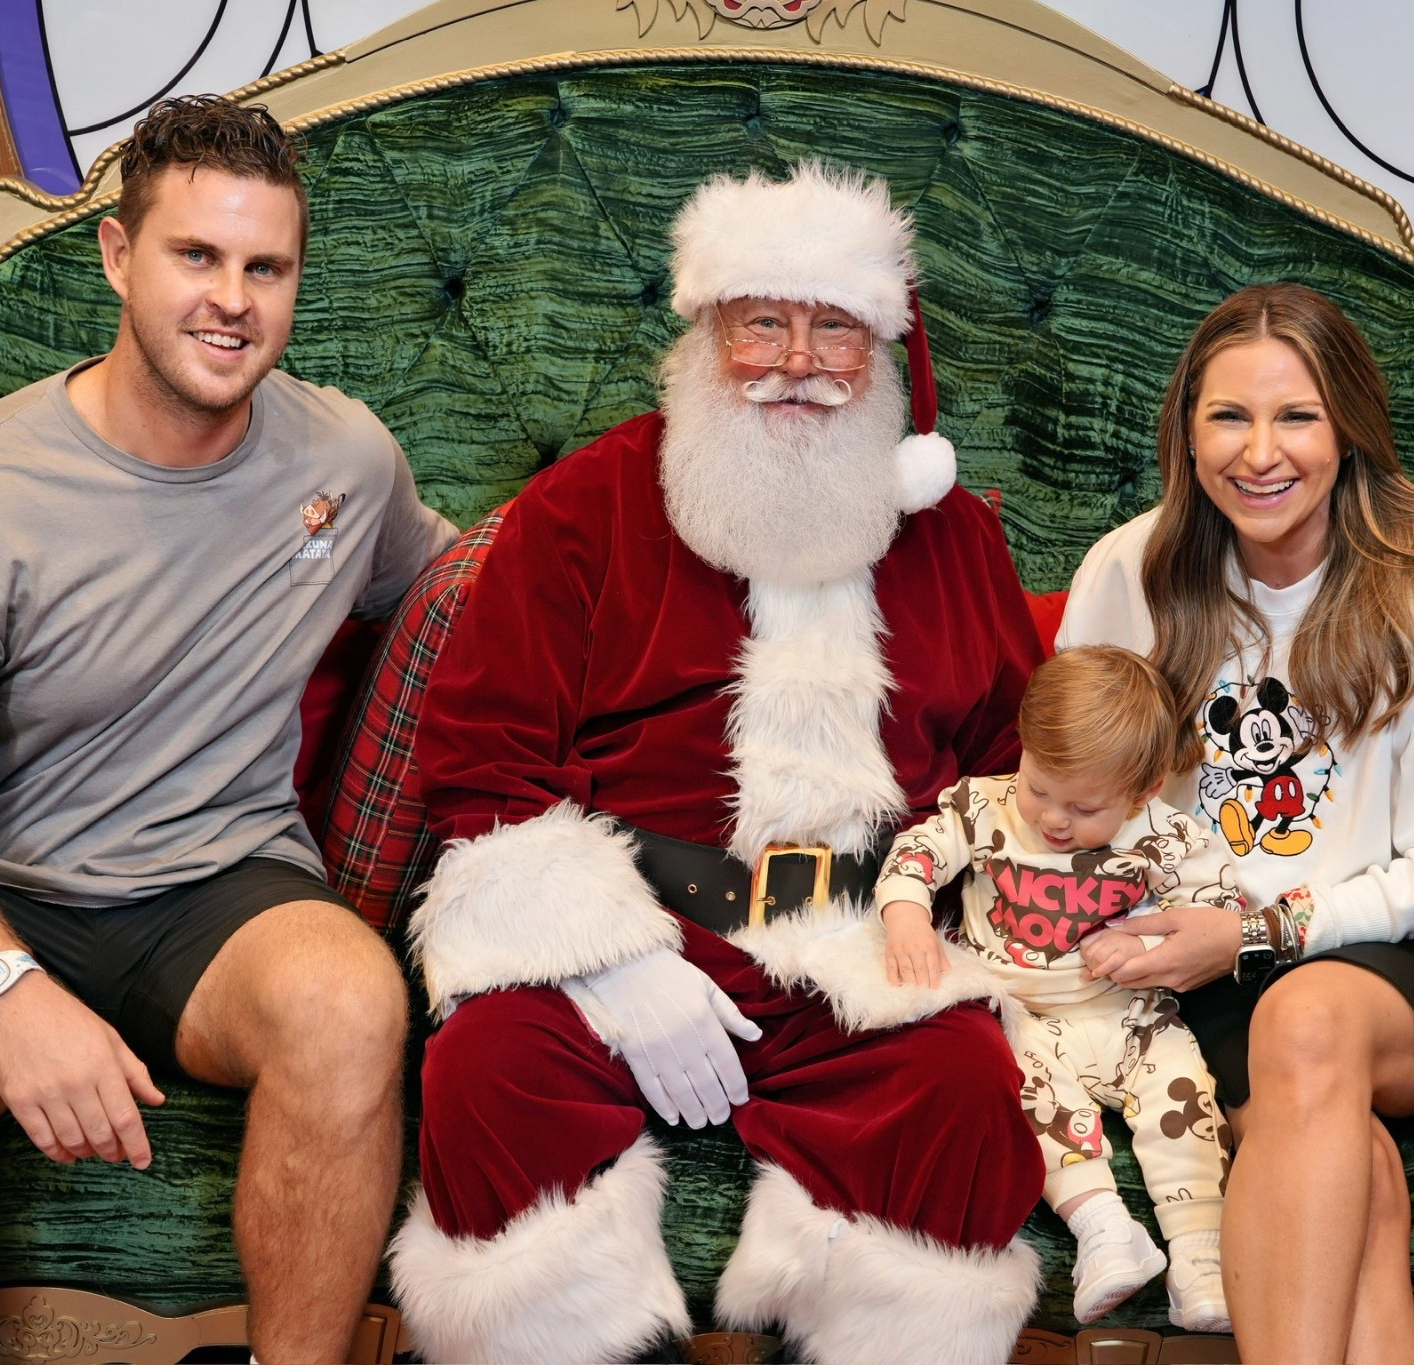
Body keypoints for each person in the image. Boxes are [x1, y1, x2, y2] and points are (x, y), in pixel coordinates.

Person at [0, 96, 458, 1364]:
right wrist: (3, 989)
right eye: (196, 256)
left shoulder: (345, 461)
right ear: (116, 257)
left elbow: (467, 598)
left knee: (349, 999)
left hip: (222, 895)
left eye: (266, 267)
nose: (231, 300)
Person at [391, 162, 1047, 1364]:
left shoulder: (952, 539)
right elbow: (481, 768)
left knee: (958, 1088)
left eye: (833, 330)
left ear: (883, 354)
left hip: (859, 940)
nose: (796, 363)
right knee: (485, 1073)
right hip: (625, 934)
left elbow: (1015, 773)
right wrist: (613, 966)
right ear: (704, 334)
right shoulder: (582, 507)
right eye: (762, 325)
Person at [1055, 281, 1414, 1361]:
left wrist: (1256, 929)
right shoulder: (1125, 572)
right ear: (1186, 429)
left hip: (1412, 968)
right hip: (1196, 980)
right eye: (1227, 415)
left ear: (1349, 429)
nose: (1258, 452)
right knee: (1352, 1168)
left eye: (1295, 416)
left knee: (1308, 1022)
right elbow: (1071, 804)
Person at [876, 644, 1238, 1333]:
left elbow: (1215, 916)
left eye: (1084, 805)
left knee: (1183, 1096)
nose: (1053, 817)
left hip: (1133, 1014)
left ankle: (1199, 1255)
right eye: (1039, 785)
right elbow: (917, 853)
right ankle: (1105, 1228)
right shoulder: (988, 808)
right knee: (1026, 1096)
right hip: (1026, 1016)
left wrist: (1144, 943)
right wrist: (907, 918)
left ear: (1145, 790)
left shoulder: (1167, 840)